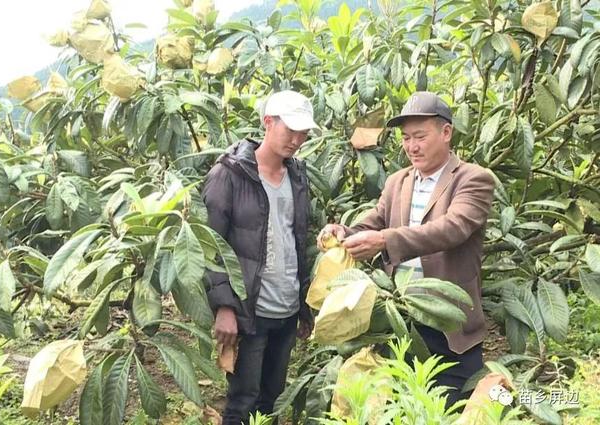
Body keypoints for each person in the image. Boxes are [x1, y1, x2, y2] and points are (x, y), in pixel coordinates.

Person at [317, 91, 495, 406]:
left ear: (446, 132)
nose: (411, 146)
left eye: (420, 137)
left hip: (449, 322)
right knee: (401, 404)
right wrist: (342, 232)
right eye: (406, 138)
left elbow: (453, 228)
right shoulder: (398, 181)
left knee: (450, 406)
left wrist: (387, 240)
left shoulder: (472, 179)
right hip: (400, 317)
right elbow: (372, 223)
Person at [202, 90, 318, 424]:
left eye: (303, 132)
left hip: (286, 306)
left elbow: (298, 238)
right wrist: (224, 306)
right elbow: (210, 245)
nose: (297, 140)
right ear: (268, 122)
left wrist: (304, 305)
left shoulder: (297, 175)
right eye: (290, 130)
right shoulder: (229, 175)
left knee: (272, 400)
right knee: (243, 401)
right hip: (249, 310)